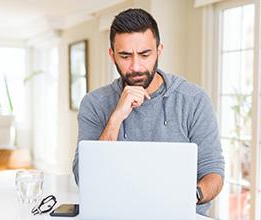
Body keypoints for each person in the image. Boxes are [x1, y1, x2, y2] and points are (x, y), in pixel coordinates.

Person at [72, 8, 224, 216]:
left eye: (145, 54)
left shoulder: (194, 100)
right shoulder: (94, 103)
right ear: (112, 54)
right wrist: (116, 118)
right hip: (115, 214)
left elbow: (214, 172)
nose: (136, 66)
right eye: (125, 56)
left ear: (159, 50)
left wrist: (190, 195)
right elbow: (85, 178)